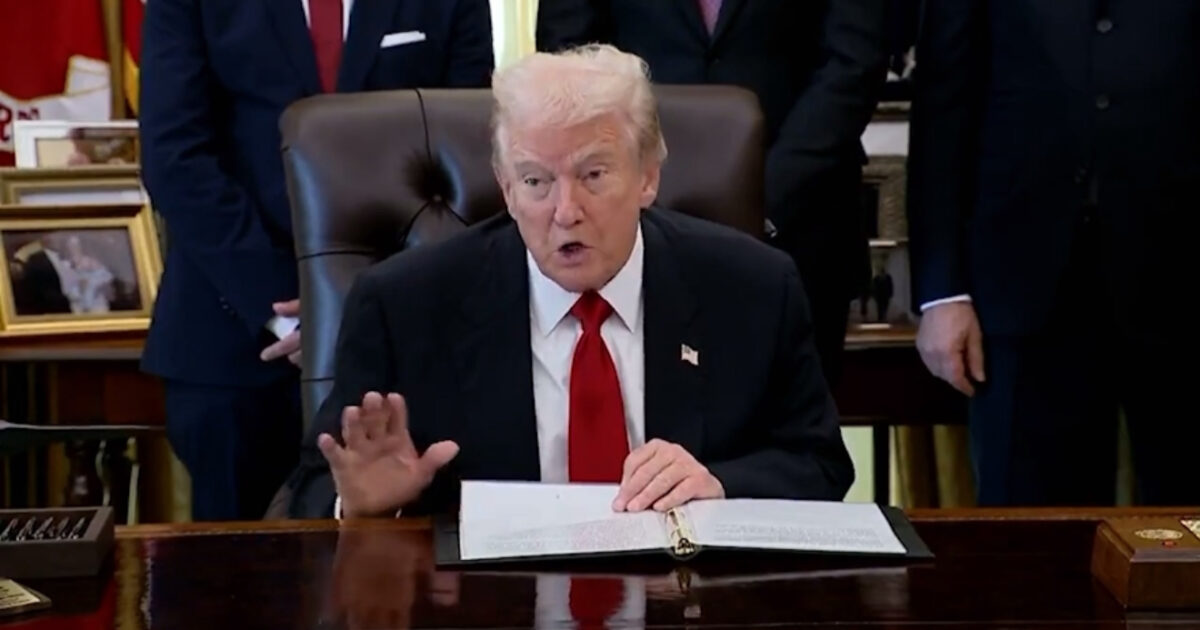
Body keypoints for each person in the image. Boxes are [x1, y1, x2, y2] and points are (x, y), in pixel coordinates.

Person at [284, 44, 853, 519]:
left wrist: (718, 484)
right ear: (505, 187)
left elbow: (821, 466)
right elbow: (310, 488)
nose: (565, 210)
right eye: (535, 181)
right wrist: (357, 507)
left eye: (594, 174)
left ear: (648, 175)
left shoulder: (752, 287)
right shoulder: (405, 304)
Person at [138, 0, 494, 521]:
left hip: (403, 345)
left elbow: (465, 161)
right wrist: (296, 309)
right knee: (232, 584)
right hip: (236, 339)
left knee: (400, 577)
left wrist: (359, 308)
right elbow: (175, 157)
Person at [908, 1, 1200, 506]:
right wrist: (941, 291)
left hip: (1180, 276)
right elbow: (943, 107)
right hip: (1021, 282)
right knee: (1029, 545)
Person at [535, 0, 887, 385]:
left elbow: (854, 61)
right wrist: (642, 185)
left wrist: (760, 198)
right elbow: (568, 57)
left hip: (801, 224)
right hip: (634, 228)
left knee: (793, 428)